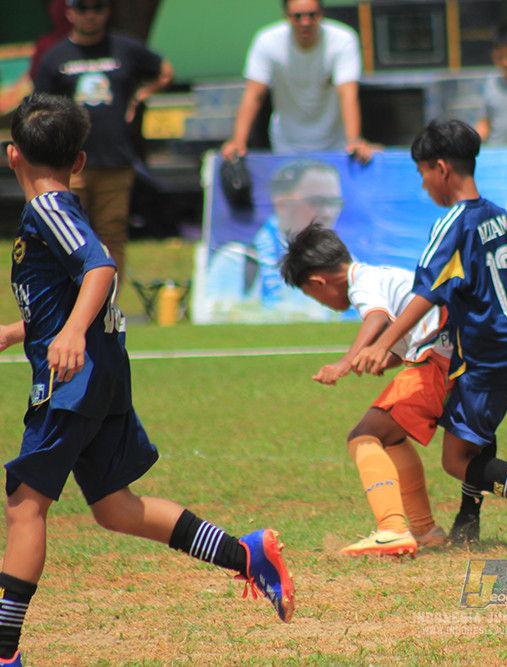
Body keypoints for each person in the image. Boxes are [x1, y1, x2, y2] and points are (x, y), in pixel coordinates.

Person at [0, 93, 295, 666]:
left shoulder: (48, 209)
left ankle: (4, 649)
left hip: (75, 380)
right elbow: (69, 285)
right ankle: (248, 555)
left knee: (24, 506)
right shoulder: (65, 210)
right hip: (102, 374)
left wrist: (71, 335)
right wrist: (22, 329)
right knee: (115, 508)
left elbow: (100, 269)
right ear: (81, 161)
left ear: (13, 156)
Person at [352, 119, 507, 549]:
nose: (424, 184)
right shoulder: (499, 216)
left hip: (488, 350)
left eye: (423, 172)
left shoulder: (452, 225)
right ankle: (467, 519)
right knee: (473, 426)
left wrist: (382, 344)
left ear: (441, 168)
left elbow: (424, 294)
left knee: (455, 459)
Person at [279, 222, 452, 556]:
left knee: (363, 436)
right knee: (389, 436)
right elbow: (403, 327)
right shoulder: (378, 274)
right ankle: (425, 529)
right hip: (441, 359)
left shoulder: (362, 285)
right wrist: (383, 361)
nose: (319, 301)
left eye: (310, 294)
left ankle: (391, 530)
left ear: (318, 282)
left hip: (435, 362)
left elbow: (377, 318)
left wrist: (346, 361)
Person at [33, 0, 174, 274]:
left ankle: (108, 308)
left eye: (97, 8)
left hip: (116, 161)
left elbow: (165, 71)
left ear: (107, 11)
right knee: (70, 238)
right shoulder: (54, 56)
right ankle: (73, 307)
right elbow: (38, 110)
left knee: (113, 234)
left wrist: (141, 95)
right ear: (70, 12)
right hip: (69, 165)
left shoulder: (125, 47)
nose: (90, 15)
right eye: (83, 8)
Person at [221, 0, 373, 165]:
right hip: (286, 144)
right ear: (286, 16)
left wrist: (354, 141)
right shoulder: (266, 42)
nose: (305, 22)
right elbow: (254, 95)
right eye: (297, 16)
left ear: (321, 14)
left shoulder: (343, 40)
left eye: (312, 15)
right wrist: (238, 142)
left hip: (334, 144)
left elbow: (348, 95)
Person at [202, 158, 342, 321]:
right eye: (318, 202)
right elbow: (214, 323)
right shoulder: (234, 262)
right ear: (282, 204)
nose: (328, 213)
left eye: (335, 203)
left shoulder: (345, 265)